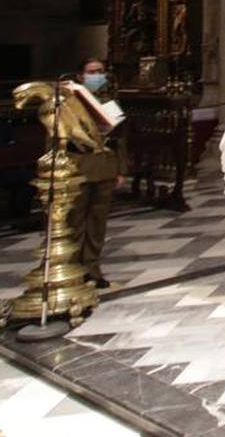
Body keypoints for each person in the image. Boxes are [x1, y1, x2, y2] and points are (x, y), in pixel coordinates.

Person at [70, 58, 128, 289]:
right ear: (80, 76)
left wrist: (121, 168)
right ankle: (74, 269)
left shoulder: (110, 102)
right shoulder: (70, 103)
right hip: (79, 166)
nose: (97, 75)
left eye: (100, 71)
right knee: (76, 221)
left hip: (105, 165)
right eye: (92, 72)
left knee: (97, 223)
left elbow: (121, 139)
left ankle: (93, 269)